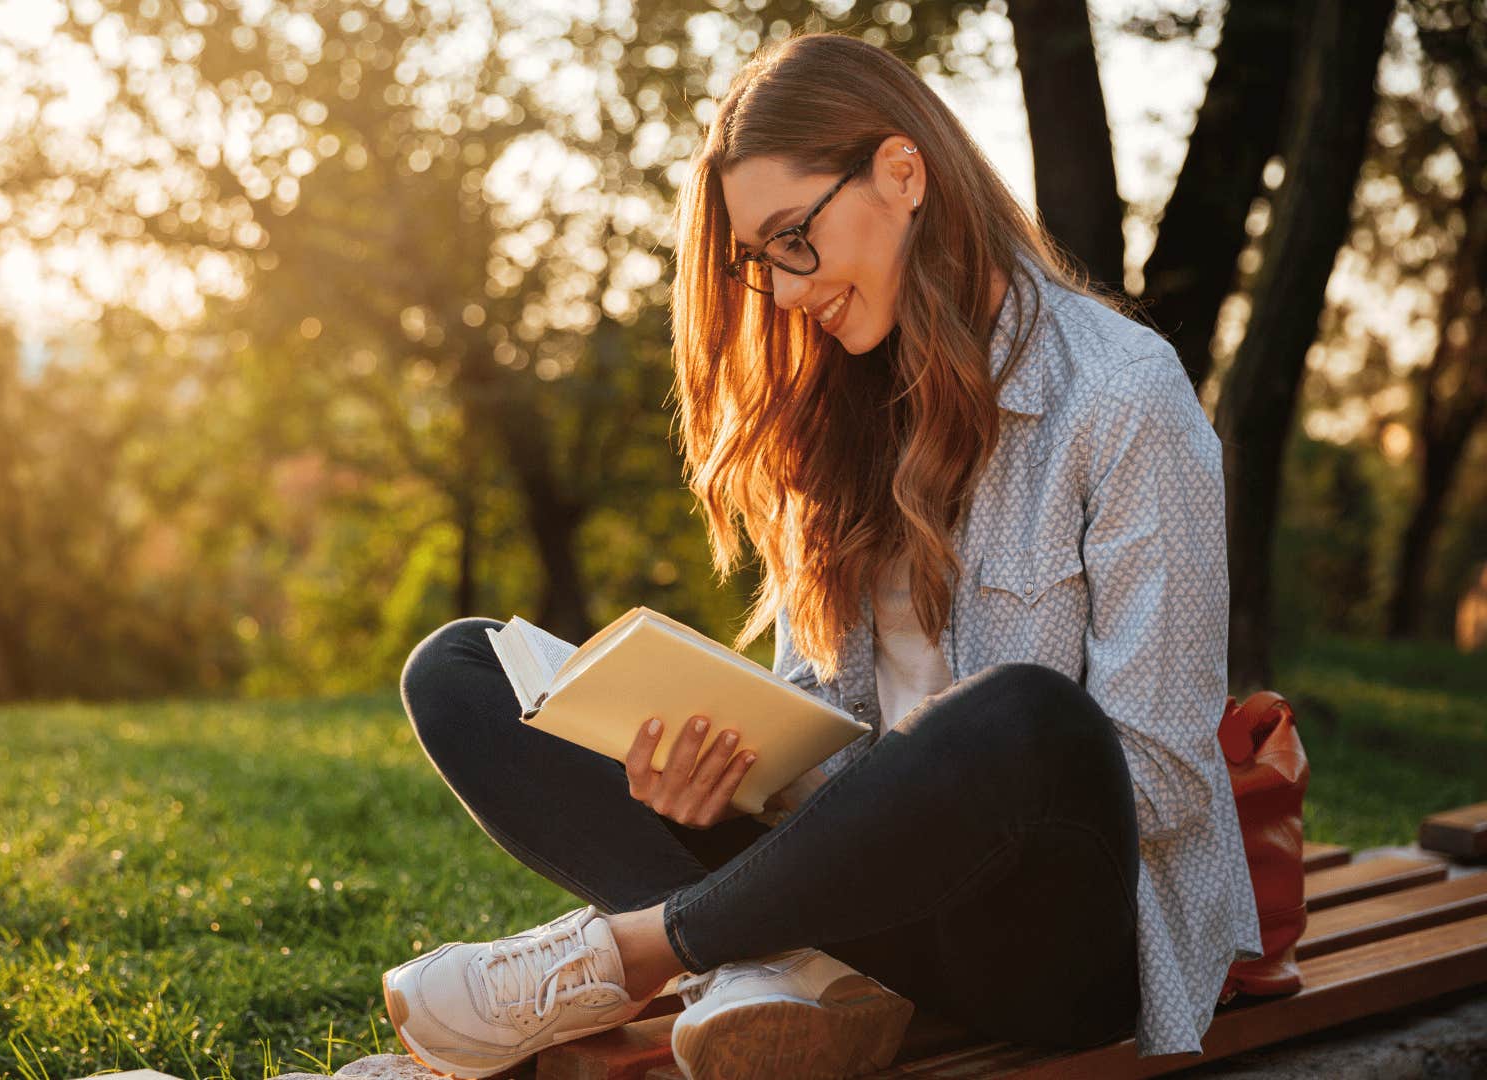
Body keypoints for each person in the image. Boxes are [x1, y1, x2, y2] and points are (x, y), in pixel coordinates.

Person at [381, 30, 1262, 1080]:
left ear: (902, 172)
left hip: (1053, 945)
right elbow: (818, 721)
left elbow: (1159, 780)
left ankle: (634, 953)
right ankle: (780, 961)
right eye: (761, 262)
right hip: (854, 906)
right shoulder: (835, 407)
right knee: (463, 671)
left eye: (794, 237)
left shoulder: (1122, 397)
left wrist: (899, 802)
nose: (788, 291)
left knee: (1022, 714)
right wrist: (730, 775)